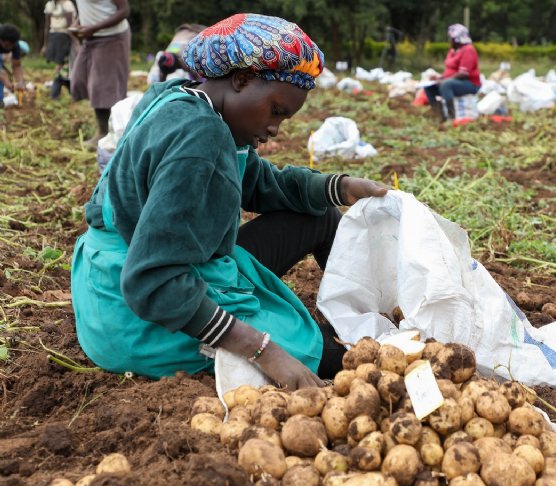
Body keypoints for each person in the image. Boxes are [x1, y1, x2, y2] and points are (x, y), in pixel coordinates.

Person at [70, 13, 389, 389]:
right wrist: (262, 349)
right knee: (334, 355)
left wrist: (339, 186)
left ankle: (369, 313)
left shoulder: (179, 98)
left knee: (317, 216)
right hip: (138, 316)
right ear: (241, 79)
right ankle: (339, 338)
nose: (274, 130)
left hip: (120, 281)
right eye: (276, 112)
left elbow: (255, 180)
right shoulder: (199, 139)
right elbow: (151, 282)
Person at [71, 0, 130, 149]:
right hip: (90, 38)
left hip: (112, 37)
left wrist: (94, 27)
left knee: (102, 87)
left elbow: (124, 11)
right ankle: (110, 124)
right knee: (79, 79)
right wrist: (78, 23)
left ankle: (105, 132)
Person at [423, 24, 481, 121]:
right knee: (429, 87)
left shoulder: (468, 50)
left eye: (452, 38)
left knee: (446, 85)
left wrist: (444, 81)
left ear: (458, 39)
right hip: (455, 81)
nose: (450, 41)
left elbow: (463, 74)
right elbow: (449, 71)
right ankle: (439, 115)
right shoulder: (453, 51)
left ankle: (451, 117)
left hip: (470, 84)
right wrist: (439, 78)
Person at [43, 0, 77, 81]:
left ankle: (61, 79)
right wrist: (45, 45)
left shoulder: (67, 4)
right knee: (62, 64)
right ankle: (60, 80)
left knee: (64, 63)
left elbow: (70, 25)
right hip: (55, 36)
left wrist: (75, 42)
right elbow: (47, 26)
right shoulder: (50, 5)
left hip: (64, 35)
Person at [0, 24, 25, 102]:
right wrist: (8, 83)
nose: (10, 48)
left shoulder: (15, 45)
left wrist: (20, 81)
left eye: (12, 45)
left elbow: (17, 65)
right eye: (8, 45)